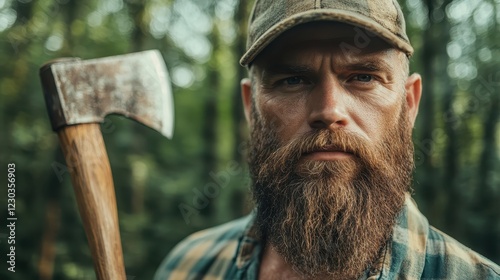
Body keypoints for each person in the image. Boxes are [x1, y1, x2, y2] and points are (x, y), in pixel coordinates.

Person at [154, 0, 500, 279]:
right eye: (292, 80)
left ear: (409, 104)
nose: (329, 109)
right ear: (251, 107)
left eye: (364, 77)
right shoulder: (188, 266)